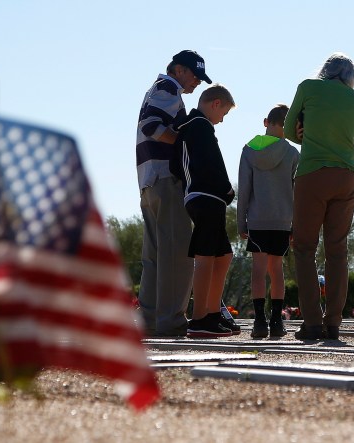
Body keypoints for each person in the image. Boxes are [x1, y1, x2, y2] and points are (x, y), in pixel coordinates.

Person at [283, 52, 354, 341]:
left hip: (313, 173)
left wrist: (304, 134)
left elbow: (289, 129)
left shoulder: (308, 87)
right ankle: (333, 323)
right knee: (337, 250)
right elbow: (349, 138)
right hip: (346, 175)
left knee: (304, 249)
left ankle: (312, 323)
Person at [135, 50, 212, 337]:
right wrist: (186, 141)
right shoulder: (168, 87)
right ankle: (171, 321)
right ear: (178, 70)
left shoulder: (157, 89)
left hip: (149, 179)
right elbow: (152, 126)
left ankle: (151, 321)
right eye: (194, 75)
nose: (197, 83)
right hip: (166, 178)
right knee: (179, 252)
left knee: (154, 256)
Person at [177, 84, 236, 338]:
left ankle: (212, 313)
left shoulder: (198, 125)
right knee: (205, 255)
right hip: (204, 196)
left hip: (210, 197)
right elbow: (210, 163)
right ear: (215, 103)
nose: (222, 120)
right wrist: (225, 188)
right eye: (223, 113)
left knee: (223, 255)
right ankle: (199, 317)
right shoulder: (197, 124)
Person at [237, 104, 300, 338]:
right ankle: (277, 321)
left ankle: (259, 322)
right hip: (283, 219)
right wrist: (297, 223)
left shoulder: (249, 149)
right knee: (277, 270)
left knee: (258, 271)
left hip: (257, 219)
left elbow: (244, 189)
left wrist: (241, 220)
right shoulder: (293, 153)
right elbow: (297, 191)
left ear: (266, 122)